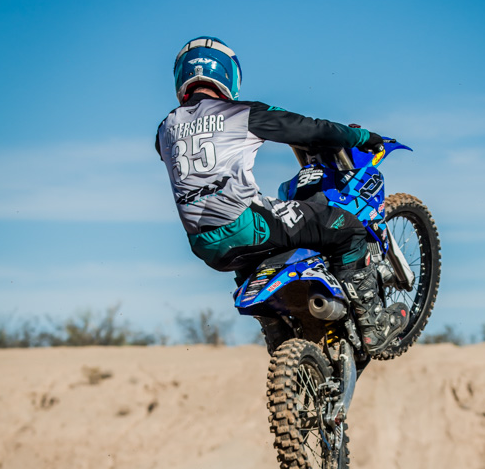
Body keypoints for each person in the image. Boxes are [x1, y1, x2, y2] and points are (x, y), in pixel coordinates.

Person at [155, 35, 409, 356]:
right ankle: (372, 326)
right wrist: (360, 136)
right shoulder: (241, 112)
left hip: (205, 246)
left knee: (255, 255)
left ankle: (277, 332)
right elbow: (310, 128)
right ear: (228, 75)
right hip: (246, 225)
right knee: (347, 228)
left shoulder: (164, 129)